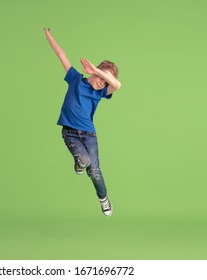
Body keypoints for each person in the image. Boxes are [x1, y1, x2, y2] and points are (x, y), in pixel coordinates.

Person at [44, 28, 122, 216]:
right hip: (70, 132)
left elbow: (118, 85)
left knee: (94, 171)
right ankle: (80, 163)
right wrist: (50, 37)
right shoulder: (75, 79)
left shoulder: (100, 92)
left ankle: (103, 198)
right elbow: (61, 54)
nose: (102, 83)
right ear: (95, 72)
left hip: (89, 135)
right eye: (101, 78)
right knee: (85, 161)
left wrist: (97, 71)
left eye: (105, 81)